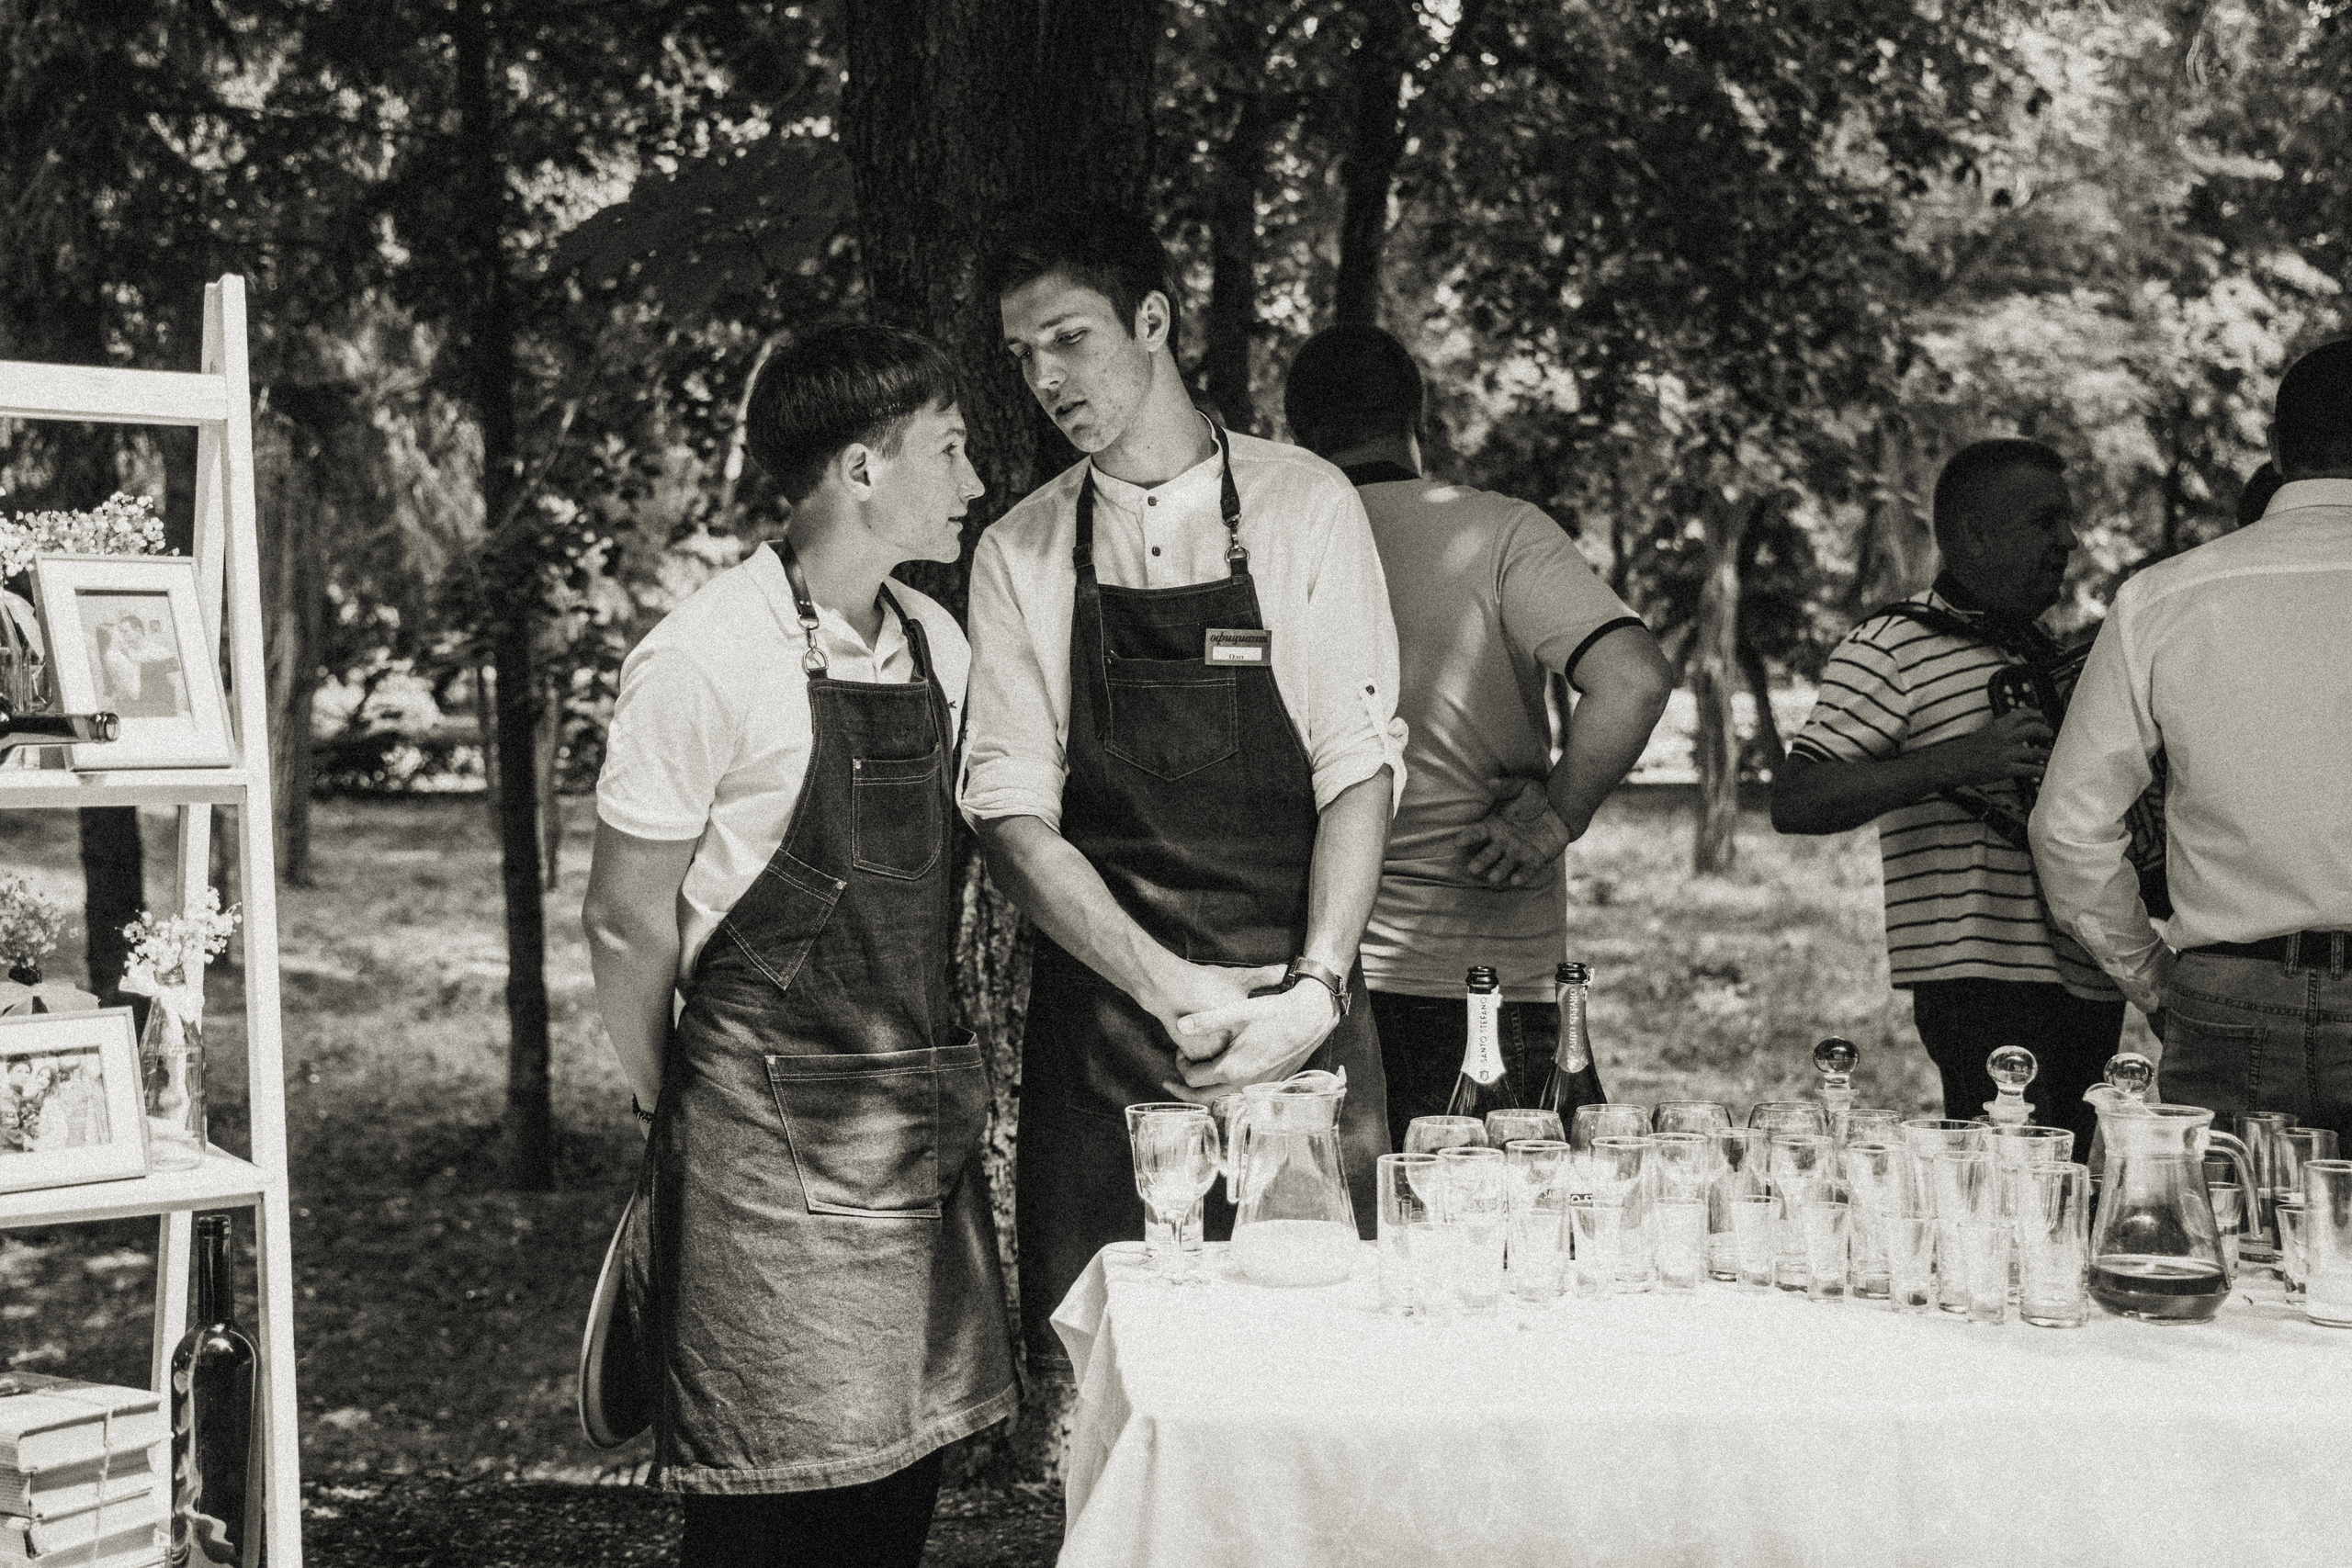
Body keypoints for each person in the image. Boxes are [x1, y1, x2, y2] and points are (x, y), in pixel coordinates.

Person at [581, 324, 1015, 1568]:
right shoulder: (703, 655)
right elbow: (623, 916)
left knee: (898, 1491)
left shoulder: (940, 643)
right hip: (757, 1160)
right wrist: (674, 1102)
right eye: (951, 448)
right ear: (863, 470)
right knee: (768, 1506)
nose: (974, 479)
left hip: (907, 1128)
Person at [963, 205, 1405, 1367]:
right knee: (1121, 1376)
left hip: (1297, 1011)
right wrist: (1168, 992)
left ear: (1151, 320)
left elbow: (1357, 767)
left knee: (1321, 1368)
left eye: (1068, 339)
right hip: (1115, 1029)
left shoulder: (1306, 503)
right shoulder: (1019, 551)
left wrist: (1310, 993)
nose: (1044, 379)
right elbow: (1012, 819)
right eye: (1021, 355)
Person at [1279, 325, 1672, 1145]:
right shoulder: (1500, 533)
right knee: (1492, 1251)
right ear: (1418, 418)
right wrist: (1556, 816)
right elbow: (1632, 680)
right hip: (1488, 973)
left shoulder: (1271, 546)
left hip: (1313, 974)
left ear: (1297, 432)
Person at [2032, 342, 2352, 1145]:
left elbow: (2068, 827)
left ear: (2276, 452)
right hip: (2224, 988)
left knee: (2217, 1261)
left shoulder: (2164, 597)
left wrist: (2153, 977)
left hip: (2227, 995)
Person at [1772, 439, 2124, 1153]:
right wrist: (1963, 758)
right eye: (2045, 521)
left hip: (2089, 978)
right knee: (2005, 1186)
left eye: (2068, 521)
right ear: (1974, 533)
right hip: (1978, 980)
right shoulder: (1891, 646)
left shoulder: (2051, 653)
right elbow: (1798, 798)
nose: (2069, 540)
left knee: (2073, 1186)